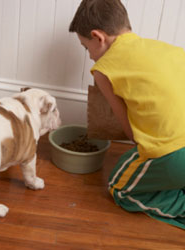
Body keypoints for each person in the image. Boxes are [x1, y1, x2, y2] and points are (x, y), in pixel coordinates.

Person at [69, 0, 185, 229]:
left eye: (86, 47)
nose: (90, 56)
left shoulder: (104, 68)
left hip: (175, 156)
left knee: (119, 187)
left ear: (98, 37)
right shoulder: (172, 50)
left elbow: (132, 134)